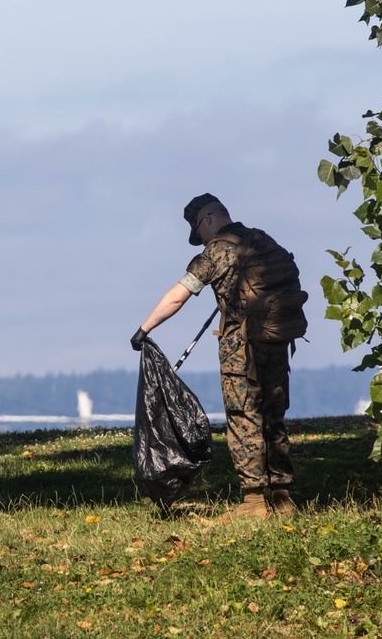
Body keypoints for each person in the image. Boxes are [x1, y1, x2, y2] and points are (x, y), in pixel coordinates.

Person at [130, 193, 296, 520]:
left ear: (207, 219)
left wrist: (144, 329)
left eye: (198, 231)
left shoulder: (215, 253)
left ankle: (253, 504)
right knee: (273, 418)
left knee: (243, 417)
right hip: (277, 343)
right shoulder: (263, 240)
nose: (200, 240)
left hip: (241, 349)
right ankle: (283, 497)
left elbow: (178, 296)